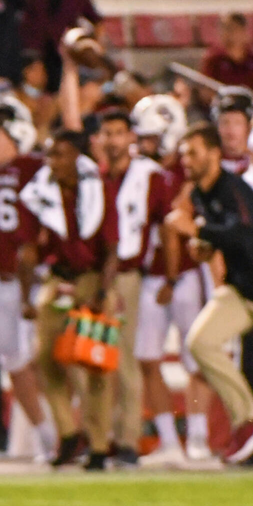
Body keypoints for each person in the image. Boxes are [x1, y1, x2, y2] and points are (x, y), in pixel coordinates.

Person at [168, 122, 253, 464]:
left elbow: (242, 231)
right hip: (241, 289)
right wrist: (203, 244)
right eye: (183, 153)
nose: (186, 160)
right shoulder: (200, 193)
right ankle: (248, 422)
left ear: (214, 154)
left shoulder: (233, 187)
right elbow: (224, 237)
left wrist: (200, 229)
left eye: (193, 153)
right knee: (200, 342)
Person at [18, 129, 119, 469]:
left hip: (92, 278)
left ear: (77, 156)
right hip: (57, 278)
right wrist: (26, 295)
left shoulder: (99, 190)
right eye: (50, 155)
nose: (53, 162)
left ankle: (100, 444)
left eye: (60, 154)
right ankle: (68, 432)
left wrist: (103, 293)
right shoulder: (39, 193)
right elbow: (28, 248)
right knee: (44, 358)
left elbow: (111, 247)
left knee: (96, 365)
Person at [0, 98, 54, 458]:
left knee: (42, 357)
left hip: (37, 277)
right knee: (11, 358)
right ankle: (46, 435)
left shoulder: (36, 167)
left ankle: (60, 430)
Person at [130, 95, 215, 466]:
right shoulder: (143, 172)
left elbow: (175, 229)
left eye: (149, 137)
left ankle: (197, 436)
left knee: (195, 358)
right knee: (147, 358)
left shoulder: (182, 174)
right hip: (153, 276)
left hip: (181, 278)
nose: (142, 144)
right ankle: (169, 441)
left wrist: (171, 274)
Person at [96, 108, 169, 465]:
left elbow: (166, 224)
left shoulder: (149, 175)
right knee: (94, 358)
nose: (112, 140)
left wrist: (163, 275)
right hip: (93, 274)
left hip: (127, 274)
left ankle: (126, 438)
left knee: (122, 357)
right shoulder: (91, 174)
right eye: (106, 133)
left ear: (131, 138)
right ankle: (101, 435)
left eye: (118, 133)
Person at [200, 13, 253, 96]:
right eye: (222, 28)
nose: (226, 33)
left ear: (243, 30)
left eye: (231, 29)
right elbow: (205, 92)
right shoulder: (213, 58)